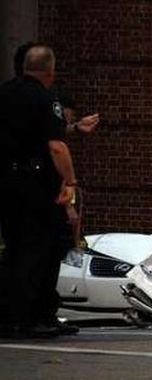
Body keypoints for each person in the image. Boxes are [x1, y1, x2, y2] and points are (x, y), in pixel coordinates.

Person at [0, 45, 79, 337]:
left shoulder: (4, 93)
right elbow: (55, 146)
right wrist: (69, 182)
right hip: (36, 185)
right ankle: (33, 317)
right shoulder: (47, 100)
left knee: (13, 249)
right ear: (50, 70)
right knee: (39, 252)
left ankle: (8, 316)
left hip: (7, 184)